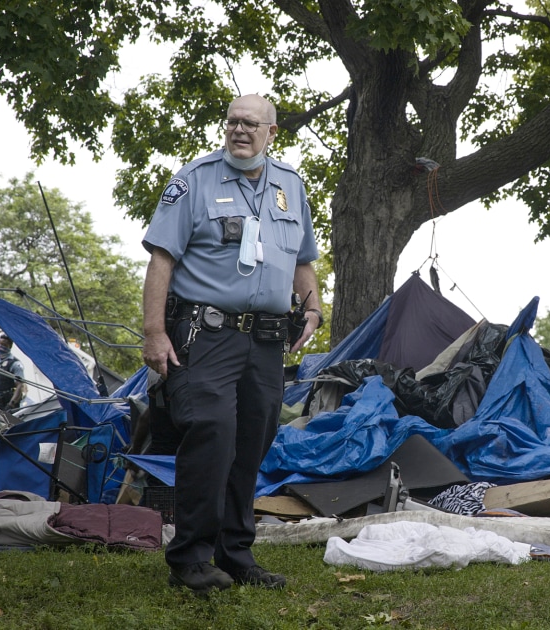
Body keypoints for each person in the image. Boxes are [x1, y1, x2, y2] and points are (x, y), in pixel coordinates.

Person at [141, 93, 322, 597]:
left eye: (250, 124)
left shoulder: (290, 185)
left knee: (251, 444)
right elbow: (161, 260)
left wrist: (312, 307)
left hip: (267, 341)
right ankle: (191, 558)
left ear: (272, 132)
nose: (239, 131)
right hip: (208, 334)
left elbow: (303, 259)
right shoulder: (194, 180)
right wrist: (154, 332)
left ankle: (235, 554)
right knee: (212, 433)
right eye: (232, 122)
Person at [0, 333, 26, 411]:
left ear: (9, 346)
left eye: (4, 344)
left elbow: (20, 386)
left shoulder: (15, 364)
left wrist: (11, 404)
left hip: (5, 402)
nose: (0, 346)